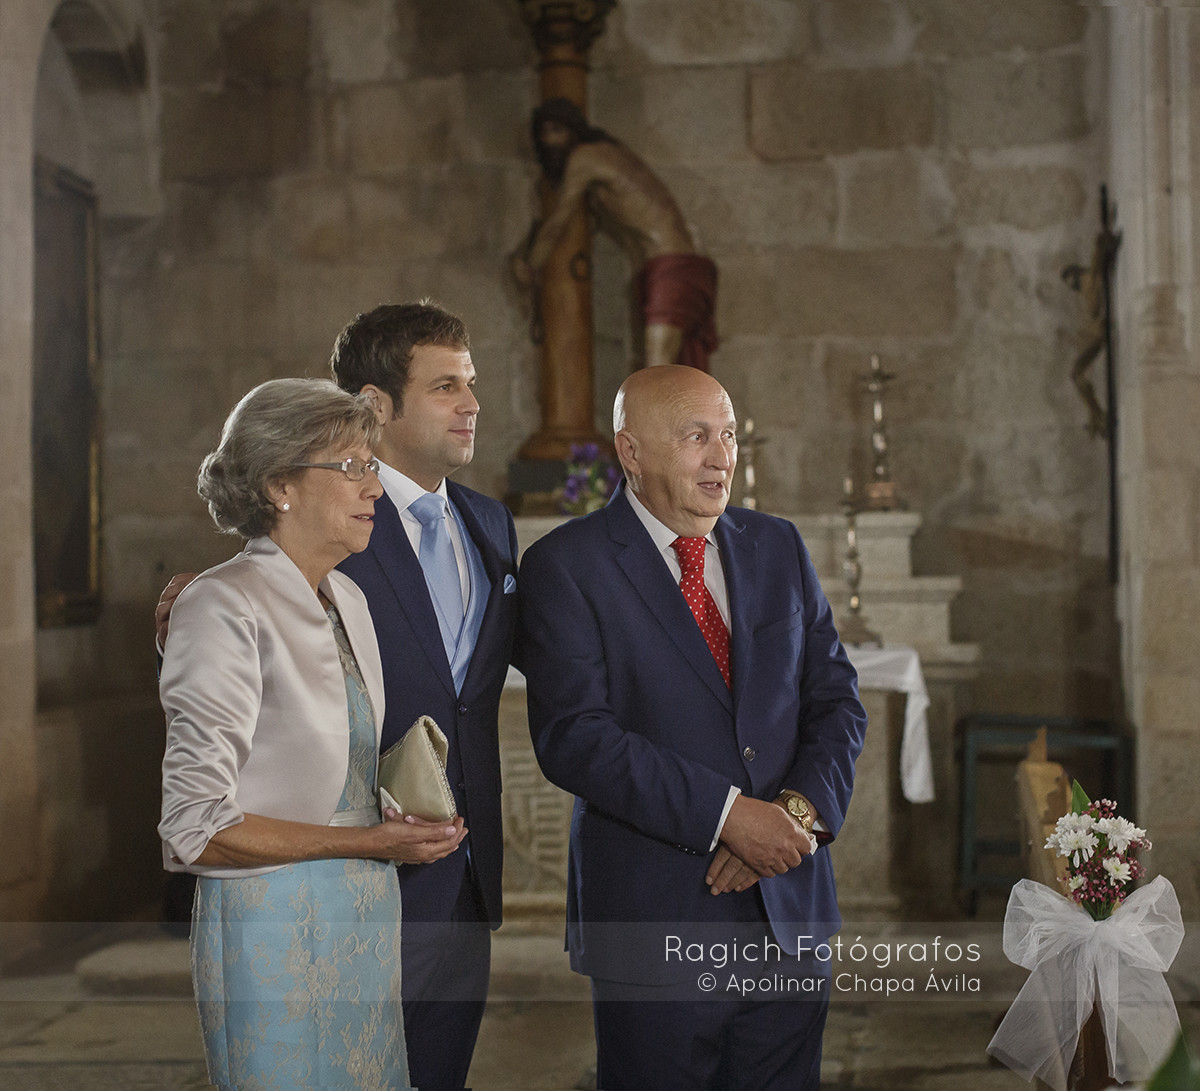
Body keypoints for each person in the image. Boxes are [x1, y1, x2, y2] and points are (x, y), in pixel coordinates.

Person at [157, 302, 519, 1091]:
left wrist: (383, 824)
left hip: (372, 912)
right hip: (279, 929)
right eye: (352, 468)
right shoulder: (227, 601)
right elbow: (193, 826)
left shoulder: (348, 597)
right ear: (281, 484)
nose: (373, 487)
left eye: (368, 466)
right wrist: (367, 842)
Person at [518, 365, 867, 1091]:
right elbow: (576, 737)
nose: (722, 456)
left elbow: (837, 699)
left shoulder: (778, 547)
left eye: (730, 434)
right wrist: (729, 817)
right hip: (655, 920)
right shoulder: (566, 566)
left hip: (787, 910)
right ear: (632, 451)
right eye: (696, 435)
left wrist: (792, 817)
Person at [513, 97, 719, 370]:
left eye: (557, 131)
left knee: (656, 370)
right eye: (545, 133)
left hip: (672, 267)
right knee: (675, 372)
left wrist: (531, 265)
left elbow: (557, 222)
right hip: (676, 265)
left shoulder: (584, 156)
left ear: (574, 131)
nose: (551, 141)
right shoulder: (610, 155)